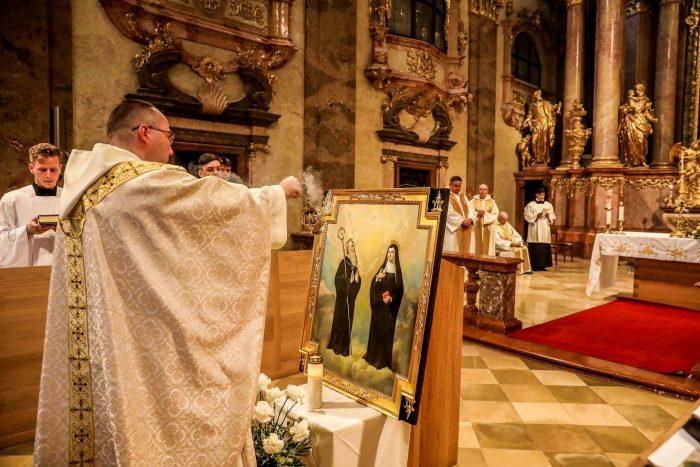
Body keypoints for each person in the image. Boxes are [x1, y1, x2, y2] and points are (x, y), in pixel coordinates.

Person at [33, 99, 301, 466]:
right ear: (144, 132)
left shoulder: (85, 186)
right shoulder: (141, 180)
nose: (172, 149)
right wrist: (277, 193)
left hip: (102, 340)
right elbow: (211, 203)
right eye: (169, 136)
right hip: (148, 341)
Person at [0, 143, 63, 267]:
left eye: (53, 170)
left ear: (60, 168)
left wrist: (65, 230)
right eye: (42, 170)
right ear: (31, 168)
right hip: (27, 272)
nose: (48, 175)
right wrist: (27, 231)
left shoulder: (71, 199)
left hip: (63, 270)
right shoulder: (12, 200)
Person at [363, 243, 404, 372]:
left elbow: (400, 290)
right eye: (388, 252)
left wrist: (391, 299)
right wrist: (377, 279)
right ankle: (372, 357)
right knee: (376, 332)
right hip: (378, 309)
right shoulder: (383, 268)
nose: (390, 254)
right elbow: (373, 285)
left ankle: (382, 361)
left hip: (388, 310)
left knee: (385, 334)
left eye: (392, 252)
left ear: (396, 255)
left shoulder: (397, 272)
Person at [326, 238, 361, 357]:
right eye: (350, 246)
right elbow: (337, 278)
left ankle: (344, 347)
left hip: (350, 299)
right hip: (342, 300)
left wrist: (357, 279)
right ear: (347, 249)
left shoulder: (355, 262)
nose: (352, 248)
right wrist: (347, 281)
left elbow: (357, 282)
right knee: (341, 320)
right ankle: (337, 345)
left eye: (353, 245)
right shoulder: (344, 262)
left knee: (348, 321)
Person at [618, 84, 656, 167]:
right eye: (636, 90)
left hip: (641, 121)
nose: (637, 91)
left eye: (638, 89)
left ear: (643, 90)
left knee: (642, 141)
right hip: (632, 120)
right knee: (631, 140)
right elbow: (625, 108)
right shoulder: (631, 99)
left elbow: (646, 112)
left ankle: (642, 160)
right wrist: (626, 110)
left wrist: (652, 119)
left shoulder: (646, 100)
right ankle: (631, 161)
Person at [521, 89, 561, 165]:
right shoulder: (532, 106)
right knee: (534, 142)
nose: (537, 95)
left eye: (538, 94)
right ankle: (536, 158)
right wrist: (528, 121)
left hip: (545, 123)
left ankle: (543, 159)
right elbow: (529, 115)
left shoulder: (546, 104)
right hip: (536, 124)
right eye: (536, 94)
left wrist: (557, 107)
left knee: (544, 142)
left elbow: (552, 109)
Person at [524, 187, 556, 271]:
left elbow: (553, 216)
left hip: (545, 228)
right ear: (536, 195)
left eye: (543, 194)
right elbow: (526, 215)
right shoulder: (530, 205)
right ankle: (534, 265)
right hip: (535, 228)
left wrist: (549, 216)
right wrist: (536, 216)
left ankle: (543, 265)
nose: (542, 196)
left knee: (543, 247)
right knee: (535, 246)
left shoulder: (548, 205)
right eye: (540, 194)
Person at [443, 176, 475, 254]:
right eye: (455, 186)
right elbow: (448, 213)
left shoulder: (463, 197)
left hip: (466, 227)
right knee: (454, 251)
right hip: (454, 229)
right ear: (450, 185)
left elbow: (471, 209)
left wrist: (470, 219)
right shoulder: (446, 196)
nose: (458, 188)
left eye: (459, 186)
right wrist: (462, 221)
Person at [471, 184, 499, 256]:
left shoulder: (492, 202)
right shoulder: (473, 201)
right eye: (481, 189)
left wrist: (485, 214)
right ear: (478, 190)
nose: (482, 191)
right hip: (475, 226)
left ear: (487, 191)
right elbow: (469, 211)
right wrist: (477, 214)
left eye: (484, 189)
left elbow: (496, 213)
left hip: (488, 227)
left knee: (488, 248)